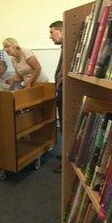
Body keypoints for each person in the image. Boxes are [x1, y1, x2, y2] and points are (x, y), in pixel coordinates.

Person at [49, 20, 64, 173]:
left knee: (66, 126)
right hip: (61, 91)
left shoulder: (70, 47)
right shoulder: (64, 47)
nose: (50, 36)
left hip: (66, 91)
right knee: (64, 126)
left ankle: (66, 159)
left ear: (61, 31)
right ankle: (65, 153)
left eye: (52, 32)